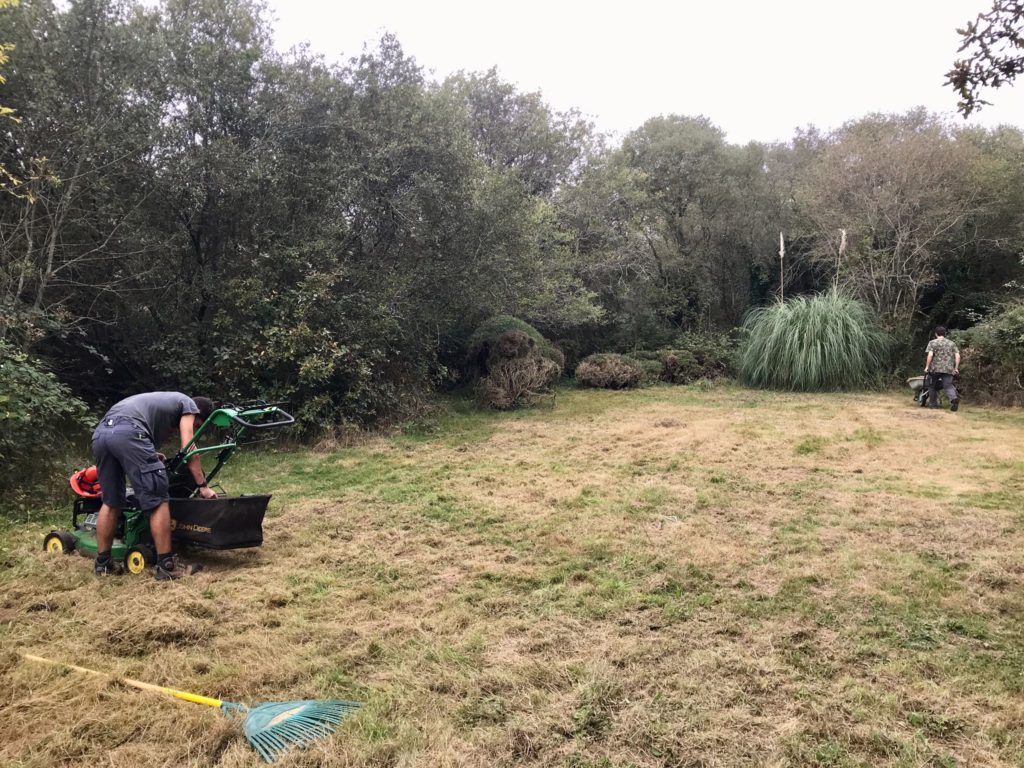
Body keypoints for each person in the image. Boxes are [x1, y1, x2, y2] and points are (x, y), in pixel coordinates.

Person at [91, 392, 218, 580]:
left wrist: (150, 453)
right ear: (198, 415)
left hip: (102, 434)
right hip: (130, 433)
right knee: (158, 500)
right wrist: (203, 486)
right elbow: (189, 447)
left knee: (111, 502)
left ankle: (103, 565)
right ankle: (167, 566)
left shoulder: (163, 401)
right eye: (197, 425)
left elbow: (126, 426)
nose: (195, 427)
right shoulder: (188, 405)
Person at [924, 326, 961, 411]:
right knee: (948, 385)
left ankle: (933, 405)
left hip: (935, 369)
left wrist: (927, 367)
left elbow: (930, 355)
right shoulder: (952, 343)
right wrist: (956, 368)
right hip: (948, 369)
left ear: (936, 334)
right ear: (945, 334)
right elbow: (957, 356)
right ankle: (953, 399)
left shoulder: (932, 343)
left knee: (932, 386)